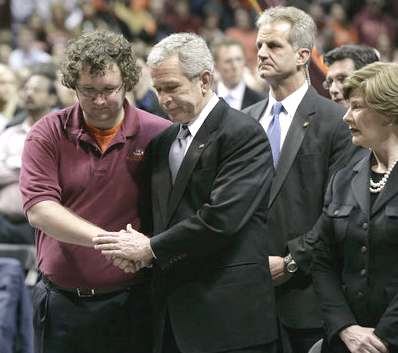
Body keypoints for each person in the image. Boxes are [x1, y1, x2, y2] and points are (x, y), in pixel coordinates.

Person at [94, 32, 278, 353]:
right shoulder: (164, 141)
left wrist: (149, 249)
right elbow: (160, 216)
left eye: (172, 88)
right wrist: (135, 251)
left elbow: (222, 219)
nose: (163, 99)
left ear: (205, 80)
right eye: (158, 90)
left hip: (227, 317)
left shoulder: (242, 133)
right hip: (171, 315)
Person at [19, 30, 170, 353]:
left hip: (133, 303)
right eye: (88, 91)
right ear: (72, 86)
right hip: (61, 305)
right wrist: (110, 243)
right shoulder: (47, 133)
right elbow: (40, 209)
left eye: (108, 90)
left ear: (127, 82)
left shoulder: (159, 134)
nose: (99, 101)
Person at [243, 6, 351, 353]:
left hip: (309, 296)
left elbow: (338, 211)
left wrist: (291, 262)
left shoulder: (336, 121)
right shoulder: (244, 121)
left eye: (274, 46)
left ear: (303, 55)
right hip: (247, 298)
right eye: (259, 46)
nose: (261, 53)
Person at [312, 62, 398, 353]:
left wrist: (382, 338)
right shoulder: (344, 178)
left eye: (357, 107)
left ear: (388, 111)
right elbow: (322, 259)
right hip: (345, 342)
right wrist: (345, 328)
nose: (346, 116)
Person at [0, 70, 58, 245]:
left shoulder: (60, 133)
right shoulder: (10, 132)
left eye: (36, 89)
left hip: (45, 226)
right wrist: (28, 171)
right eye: (26, 88)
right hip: (4, 220)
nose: (29, 93)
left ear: (52, 98)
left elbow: (53, 175)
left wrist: (13, 167)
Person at [213, 37, 264, 110]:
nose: (235, 66)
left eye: (238, 59)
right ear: (216, 67)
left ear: (245, 62)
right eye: (228, 61)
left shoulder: (260, 101)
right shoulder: (206, 102)